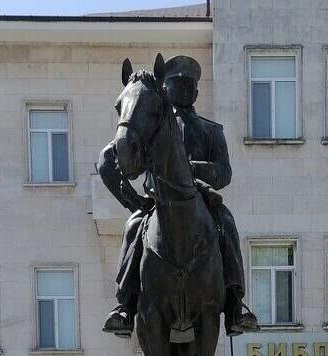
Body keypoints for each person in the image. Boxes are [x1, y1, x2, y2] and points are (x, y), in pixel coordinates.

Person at [98, 55, 258, 338]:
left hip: (201, 201)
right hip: (157, 203)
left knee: (227, 223)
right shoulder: (151, 125)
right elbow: (109, 159)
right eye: (176, 83)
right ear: (165, 88)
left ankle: (235, 303)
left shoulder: (211, 130)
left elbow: (224, 173)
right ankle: (125, 306)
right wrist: (133, 201)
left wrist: (188, 168)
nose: (183, 89)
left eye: (189, 84)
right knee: (133, 227)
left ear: (196, 92)